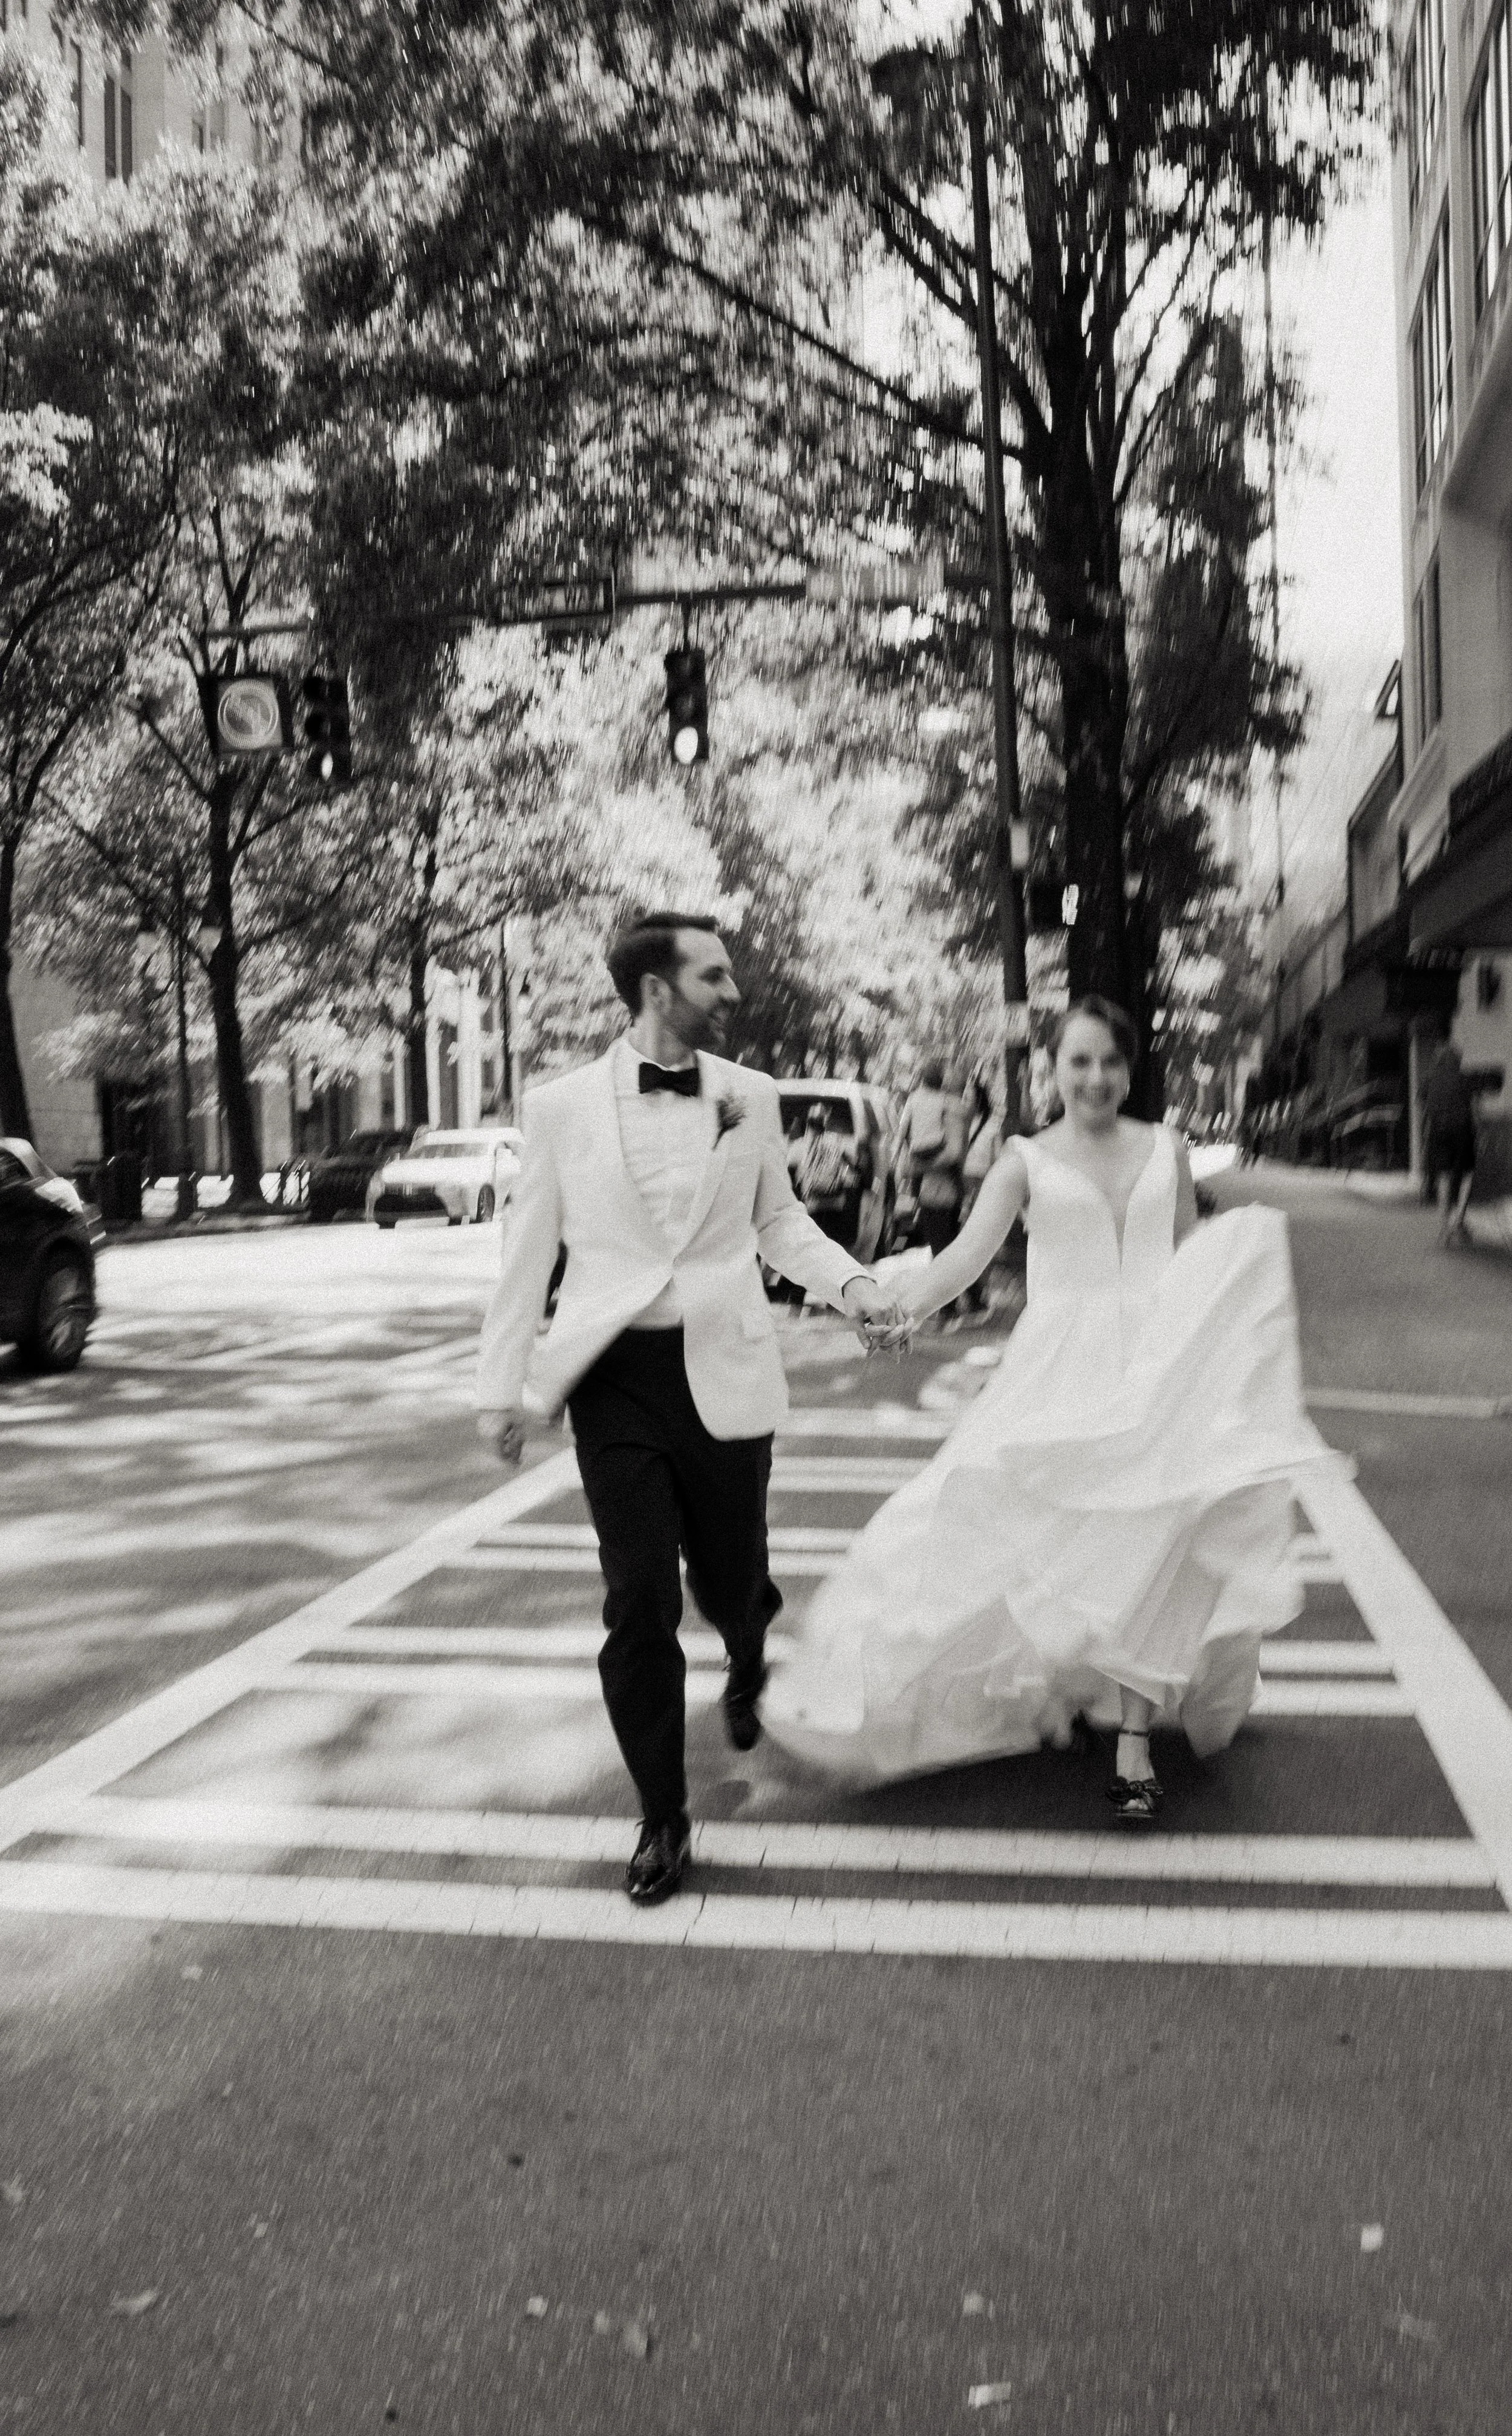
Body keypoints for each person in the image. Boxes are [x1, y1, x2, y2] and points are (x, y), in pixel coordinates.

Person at [763, 995, 1346, 1823]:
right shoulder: (1023, 1159)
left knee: (1156, 1537)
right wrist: (899, 1307)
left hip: (1158, 1366)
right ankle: (1058, 1682)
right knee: (994, 1520)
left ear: (1129, 1069)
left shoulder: (1167, 1148)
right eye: (1079, 1060)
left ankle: (1134, 1737)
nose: (1095, 1077)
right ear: (1053, 1069)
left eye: (1110, 1061)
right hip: (1058, 1367)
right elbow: (965, 1257)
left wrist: (1234, 1304)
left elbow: (1187, 1254)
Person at [475, 912, 905, 1906]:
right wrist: (501, 1389)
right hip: (614, 1379)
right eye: (714, 975)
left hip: (724, 1365)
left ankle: (748, 1644)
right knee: (638, 1599)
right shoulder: (559, 1108)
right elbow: (527, 1253)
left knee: (730, 1576)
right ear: (657, 989)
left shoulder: (750, 1095)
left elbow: (779, 1221)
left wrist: (854, 1285)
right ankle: (662, 1814)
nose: (733, 992)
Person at [899, 1057, 965, 1259]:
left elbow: (953, 1153)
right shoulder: (946, 1102)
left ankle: (914, 1210)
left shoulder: (922, 1100)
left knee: (942, 1250)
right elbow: (953, 1153)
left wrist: (915, 1164)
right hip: (935, 1186)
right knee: (942, 1249)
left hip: (937, 1189)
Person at [1421, 1038, 1477, 1247]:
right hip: (1462, 1133)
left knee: (1444, 1177)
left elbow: (1423, 1106)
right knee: (1466, 1175)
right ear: (1457, 1061)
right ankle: (1459, 1220)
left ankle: (1445, 1227)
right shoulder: (1465, 1079)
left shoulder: (1429, 1080)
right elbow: (1474, 1108)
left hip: (1438, 1132)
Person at [792, 1102, 862, 1247]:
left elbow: (791, 1168)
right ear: (825, 1123)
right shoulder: (835, 1141)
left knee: (815, 1245)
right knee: (834, 1245)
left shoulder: (800, 1145)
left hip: (812, 1206)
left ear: (808, 1123)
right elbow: (854, 1164)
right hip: (836, 1204)